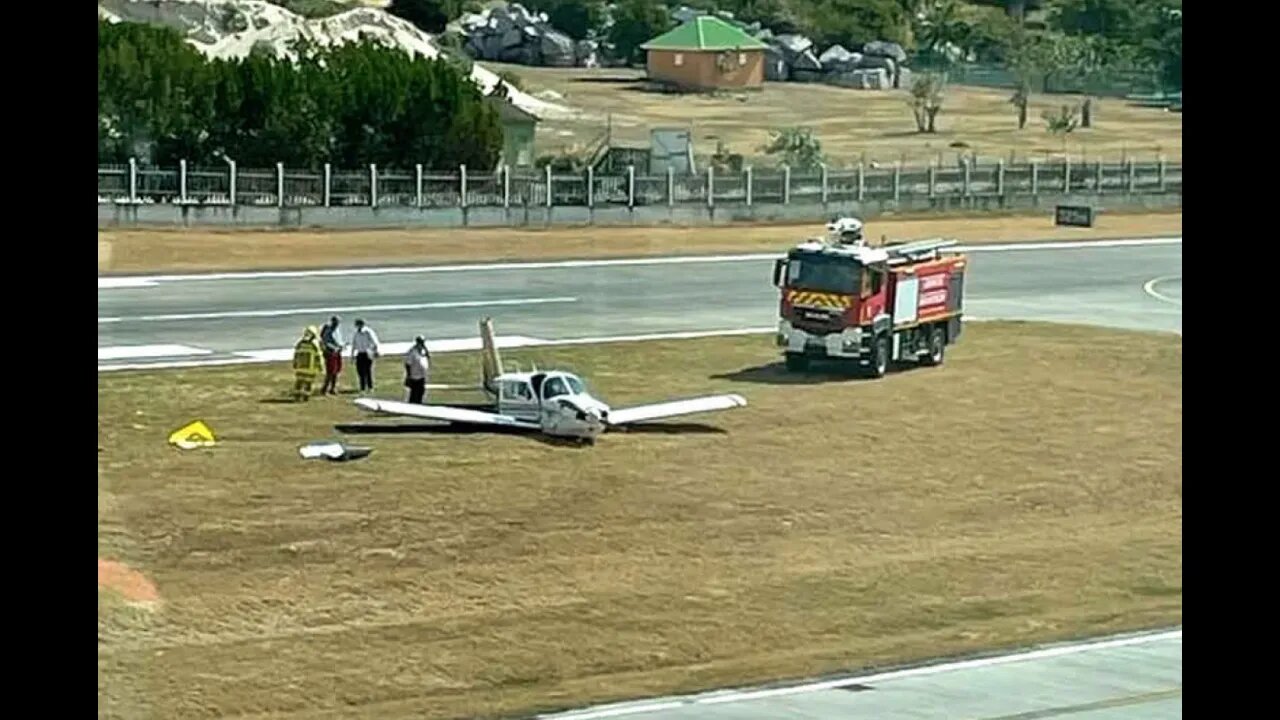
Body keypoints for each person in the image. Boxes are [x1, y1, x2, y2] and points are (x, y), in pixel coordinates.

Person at [291, 326, 323, 401]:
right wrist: (320, 365)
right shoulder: (314, 344)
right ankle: (306, 397)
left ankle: (297, 396)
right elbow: (318, 356)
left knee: (299, 381)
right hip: (310, 367)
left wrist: (295, 363)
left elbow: (296, 354)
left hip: (300, 366)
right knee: (308, 383)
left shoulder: (300, 343)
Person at [350, 318, 381, 394]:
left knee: (368, 371)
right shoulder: (356, 333)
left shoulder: (368, 332)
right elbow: (354, 344)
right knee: (360, 371)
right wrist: (352, 355)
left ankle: (370, 387)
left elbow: (375, 342)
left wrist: (375, 351)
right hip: (360, 353)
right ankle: (362, 388)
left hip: (367, 353)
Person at [319, 315, 344, 395]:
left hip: (337, 352)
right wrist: (334, 347)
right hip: (330, 353)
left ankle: (333, 388)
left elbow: (338, 340)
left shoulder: (337, 330)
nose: (337, 324)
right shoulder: (328, 331)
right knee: (330, 372)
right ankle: (324, 389)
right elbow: (326, 342)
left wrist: (341, 346)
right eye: (336, 322)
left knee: (336, 371)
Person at [403, 335, 431, 404]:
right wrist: (408, 376)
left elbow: (428, 357)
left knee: (421, 392)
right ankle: (412, 406)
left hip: (422, 376)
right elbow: (408, 364)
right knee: (414, 393)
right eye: (421, 342)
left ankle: (419, 404)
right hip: (414, 376)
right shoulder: (412, 352)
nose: (422, 344)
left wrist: (426, 350)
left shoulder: (423, 350)